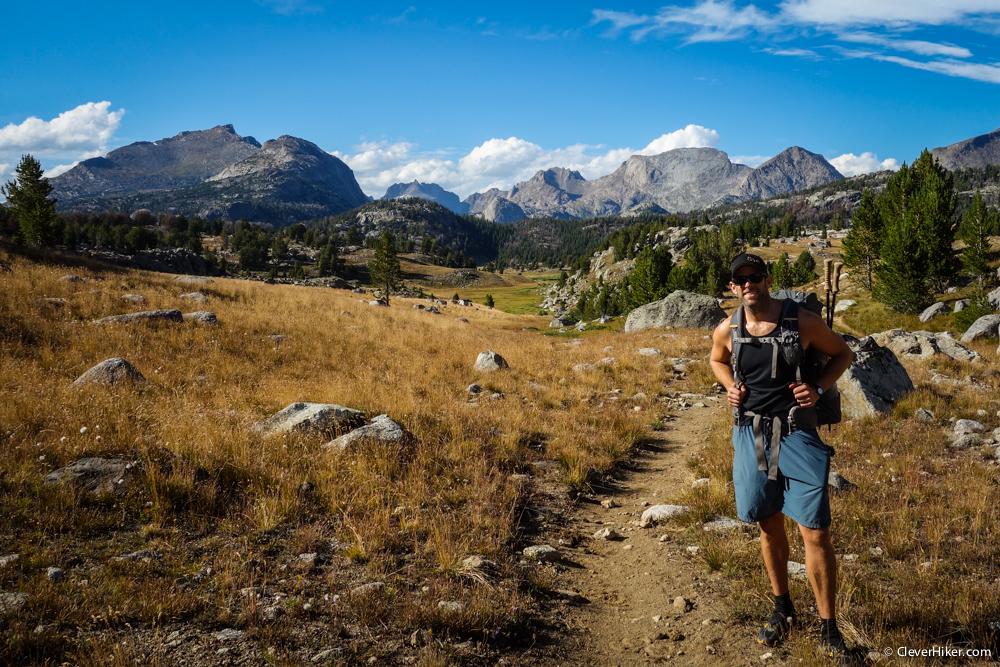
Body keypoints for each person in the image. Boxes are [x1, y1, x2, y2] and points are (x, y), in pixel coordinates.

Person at [709, 253, 855, 663]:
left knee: (815, 530)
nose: (749, 284)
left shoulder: (800, 321)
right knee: (767, 522)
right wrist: (728, 388)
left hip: (797, 433)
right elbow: (716, 360)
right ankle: (783, 607)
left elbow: (843, 354)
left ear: (767, 280)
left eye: (755, 276)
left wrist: (820, 389)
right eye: (741, 279)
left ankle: (829, 628)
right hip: (751, 434)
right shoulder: (729, 328)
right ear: (733, 287)